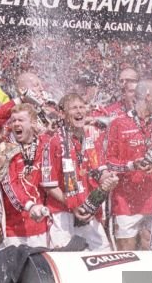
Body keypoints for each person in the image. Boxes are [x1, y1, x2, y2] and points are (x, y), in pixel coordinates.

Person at [106, 80, 152, 251]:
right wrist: (132, 165)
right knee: (126, 254)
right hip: (125, 201)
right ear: (147, 96)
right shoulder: (118, 123)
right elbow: (108, 162)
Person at [42, 92, 116, 251]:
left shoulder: (91, 138)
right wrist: (72, 205)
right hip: (62, 213)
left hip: (88, 210)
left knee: (103, 254)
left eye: (82, 107)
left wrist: (108, 179)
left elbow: (99, 170)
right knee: (66, 261)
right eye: (73, 108)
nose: (79, 111)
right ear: (63, 114)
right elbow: (49, 185)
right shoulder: (54, 142)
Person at [0, 105, 51, 248]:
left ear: (32, 122)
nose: (16, 124)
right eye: (13, 121)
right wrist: (30, 206)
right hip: (14, 229)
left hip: (43, 225)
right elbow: (10, 185)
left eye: (21, 120)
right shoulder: (5, 149)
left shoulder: (45, 144)